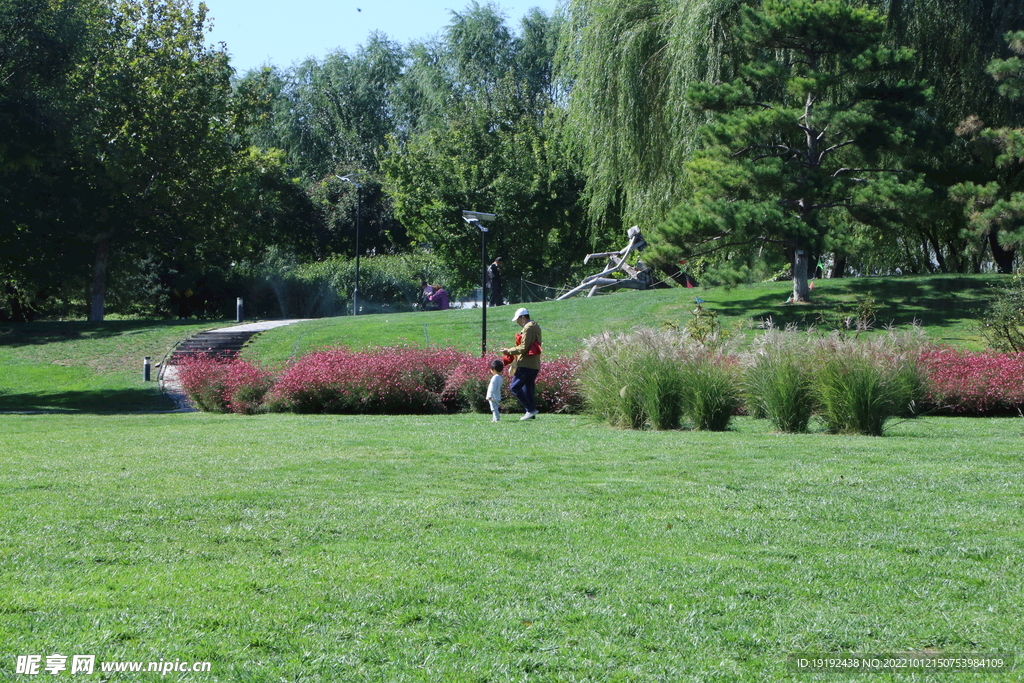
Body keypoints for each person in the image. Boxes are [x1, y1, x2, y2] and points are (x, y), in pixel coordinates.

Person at [501, 307, 542, 420]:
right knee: (527, 388)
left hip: (526, 363)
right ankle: (531, 414)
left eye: (518, 320)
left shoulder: (528, 328)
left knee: (515, 387)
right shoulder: (535, 326)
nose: (518, 323)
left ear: (523, 317)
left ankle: (530, 410)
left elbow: (524, 347)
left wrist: (508, 351)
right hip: (534, 363)